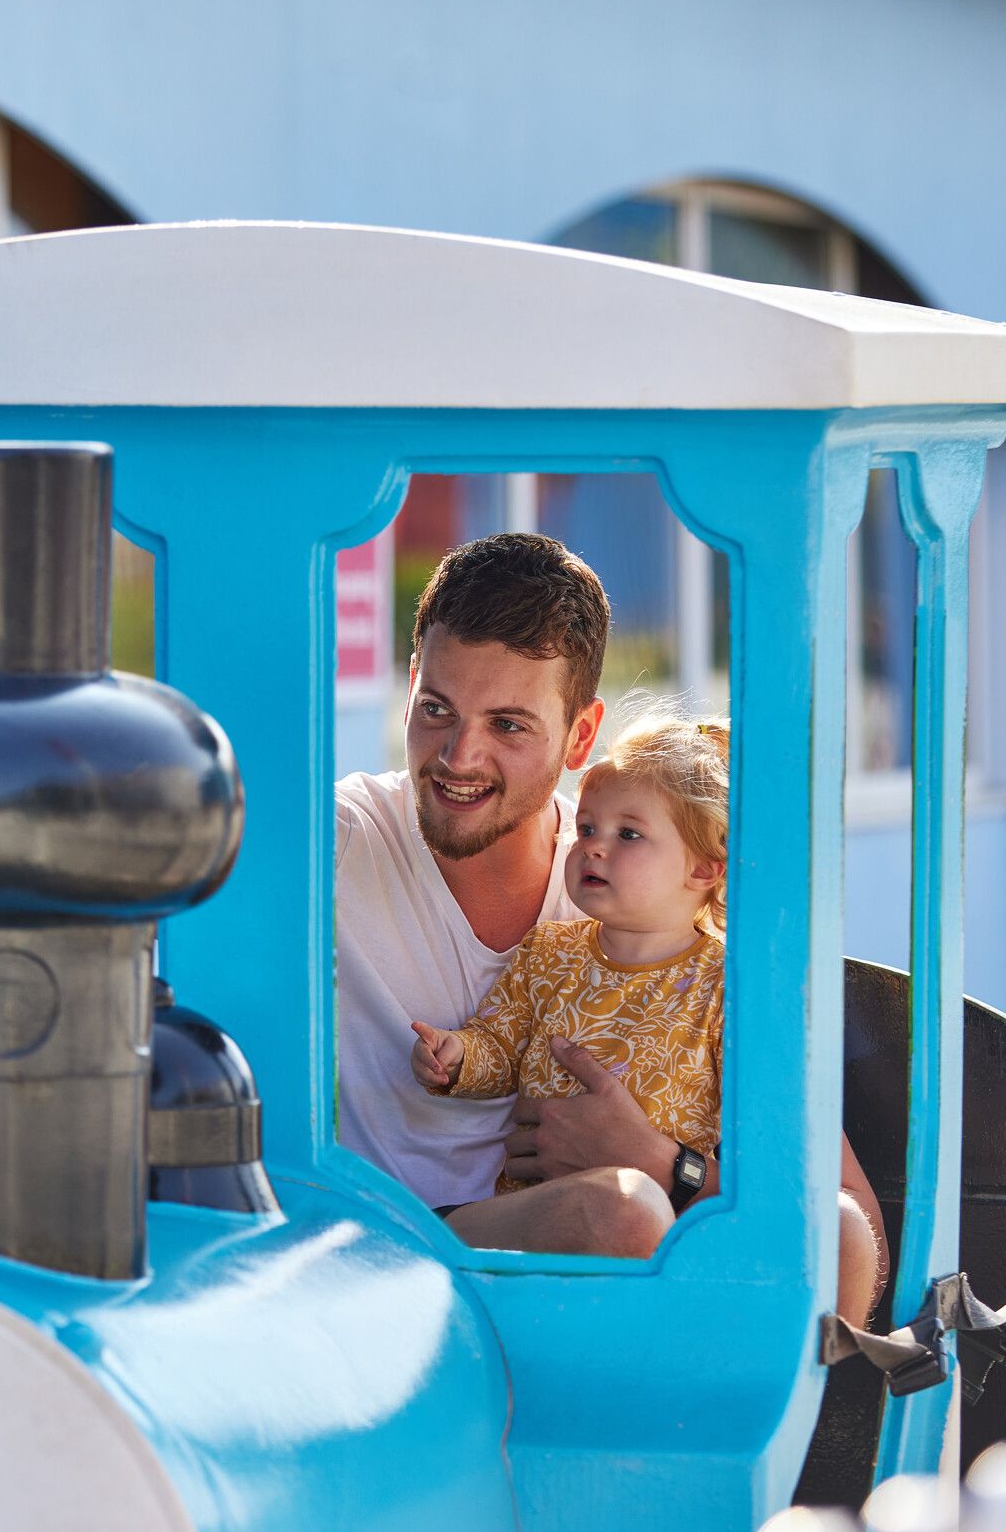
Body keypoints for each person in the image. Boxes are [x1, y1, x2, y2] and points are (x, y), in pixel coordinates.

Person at [334, 532, 886, 1322]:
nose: (459, 755)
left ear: (580, 737)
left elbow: (855, 1226)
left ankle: (787, 1437)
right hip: (403, 1267)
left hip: (630, 1294)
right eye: (435, 709)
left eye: (509, 725)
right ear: (411, 686)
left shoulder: (652, 895)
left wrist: (662, 1162)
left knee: (809, 1227)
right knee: (622, 1212)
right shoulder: (339, 841)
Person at [411, 712, 729, 1204]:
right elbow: (500, 1045)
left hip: (668, 1237)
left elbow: (764, 1145)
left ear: (704, 868)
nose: (593, 848)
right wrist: (457, 1058)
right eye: (586, 828)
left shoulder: (725, 987)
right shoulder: (549, 952)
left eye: (628, 834)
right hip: (538, 1218)